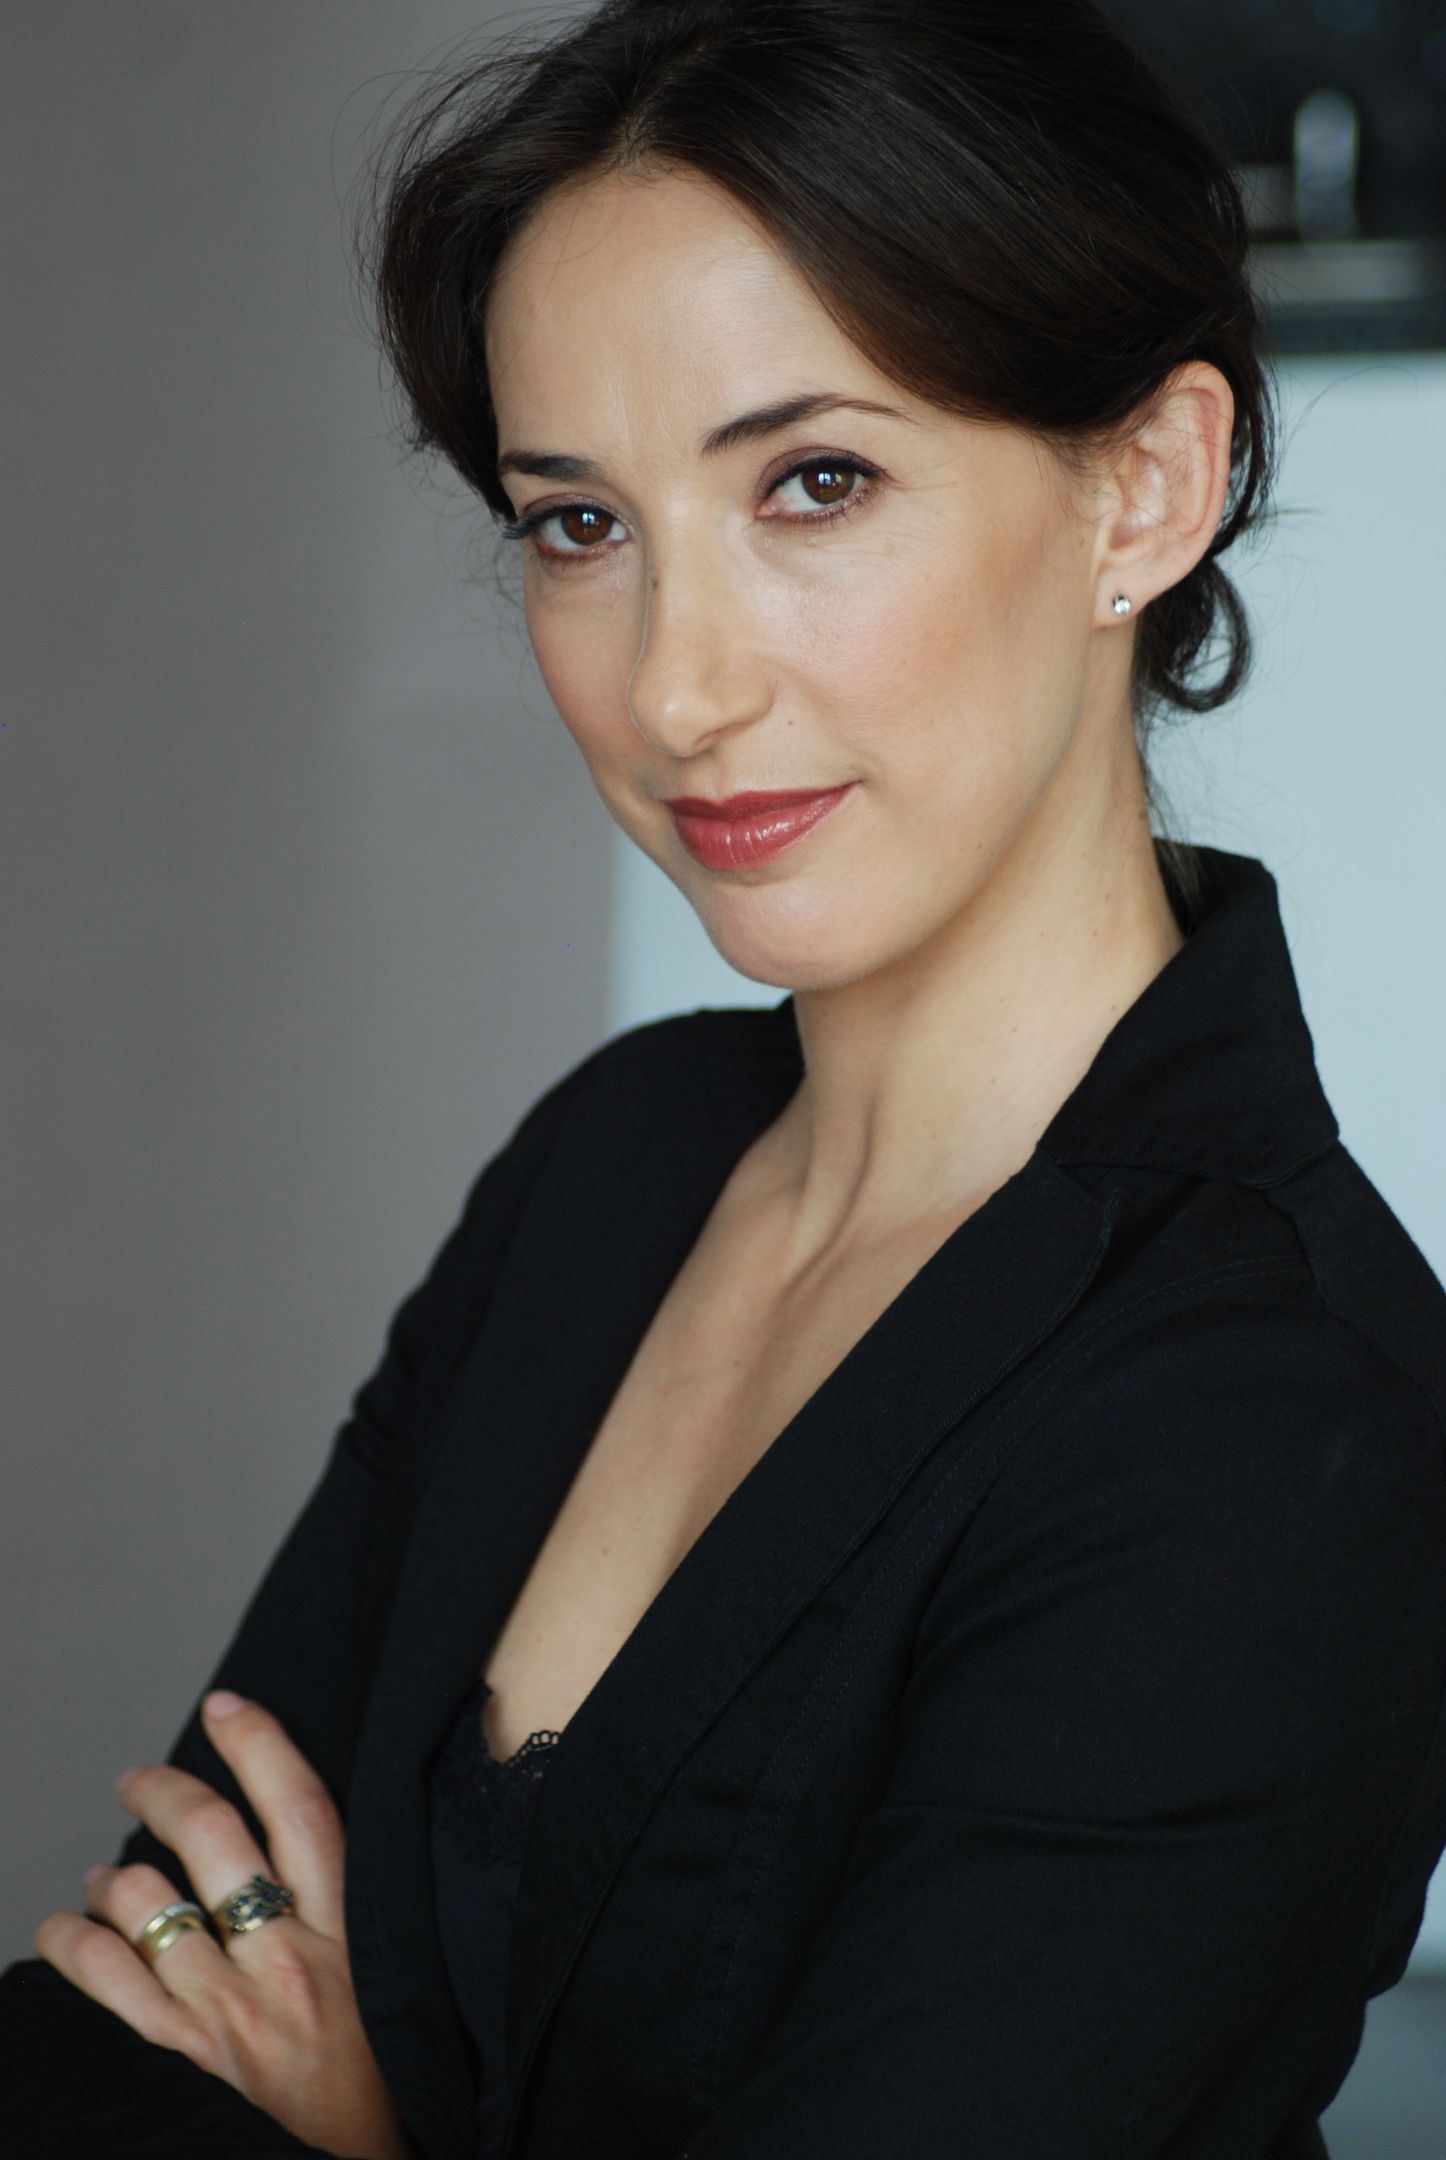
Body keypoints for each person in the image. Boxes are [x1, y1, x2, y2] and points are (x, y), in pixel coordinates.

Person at [4, 2, 1445, 2155]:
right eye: (579, 525)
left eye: (814, 482)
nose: (675, 687)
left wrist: (378, 2135)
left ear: (1144, 486)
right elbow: (128, 2007)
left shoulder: (1271, 1412)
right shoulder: (615, 1159)